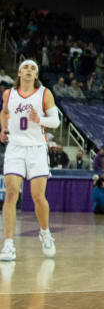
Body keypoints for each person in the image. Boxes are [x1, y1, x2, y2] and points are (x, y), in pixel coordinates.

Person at [0, 60, 59, 260]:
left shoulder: (44, 93)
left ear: (36, 75)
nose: (29, 70)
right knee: (11, 193)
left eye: (33, 68)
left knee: (37, 197)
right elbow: (5, 112)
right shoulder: (9, 94)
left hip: (36, 148)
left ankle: (45, 232)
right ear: (18, 72)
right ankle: (8, 243)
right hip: (15, 148)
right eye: (26, 67)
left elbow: (56, 121)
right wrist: (4, 128)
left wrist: (39, 120)